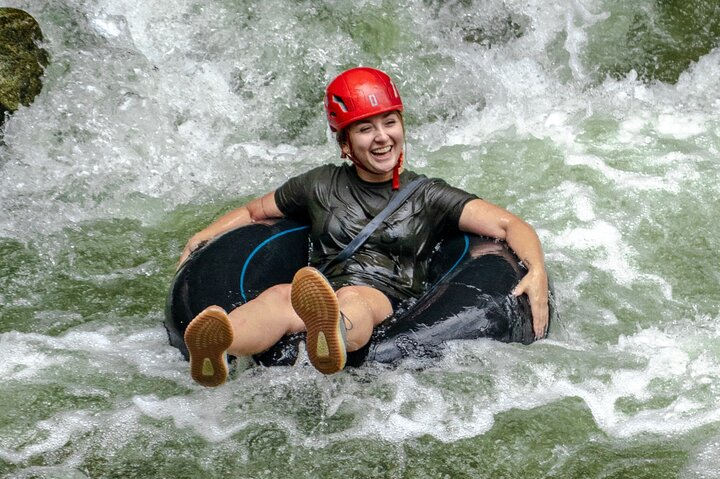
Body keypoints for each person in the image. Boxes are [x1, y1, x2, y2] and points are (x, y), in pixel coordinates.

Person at [179, 67, 549, 387]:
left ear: (402, 126)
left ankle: (332, 336)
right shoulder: (318, 185)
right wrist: (205, 234)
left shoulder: (428, 195)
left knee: (353, 300)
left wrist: (536, 270)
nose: (382, 137)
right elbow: (255, 211)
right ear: (344, 142)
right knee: (277, 296)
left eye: (390, 123)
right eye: (365, 129)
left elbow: (509, 225)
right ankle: (219, 341)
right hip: (318, 294)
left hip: (383, 297)